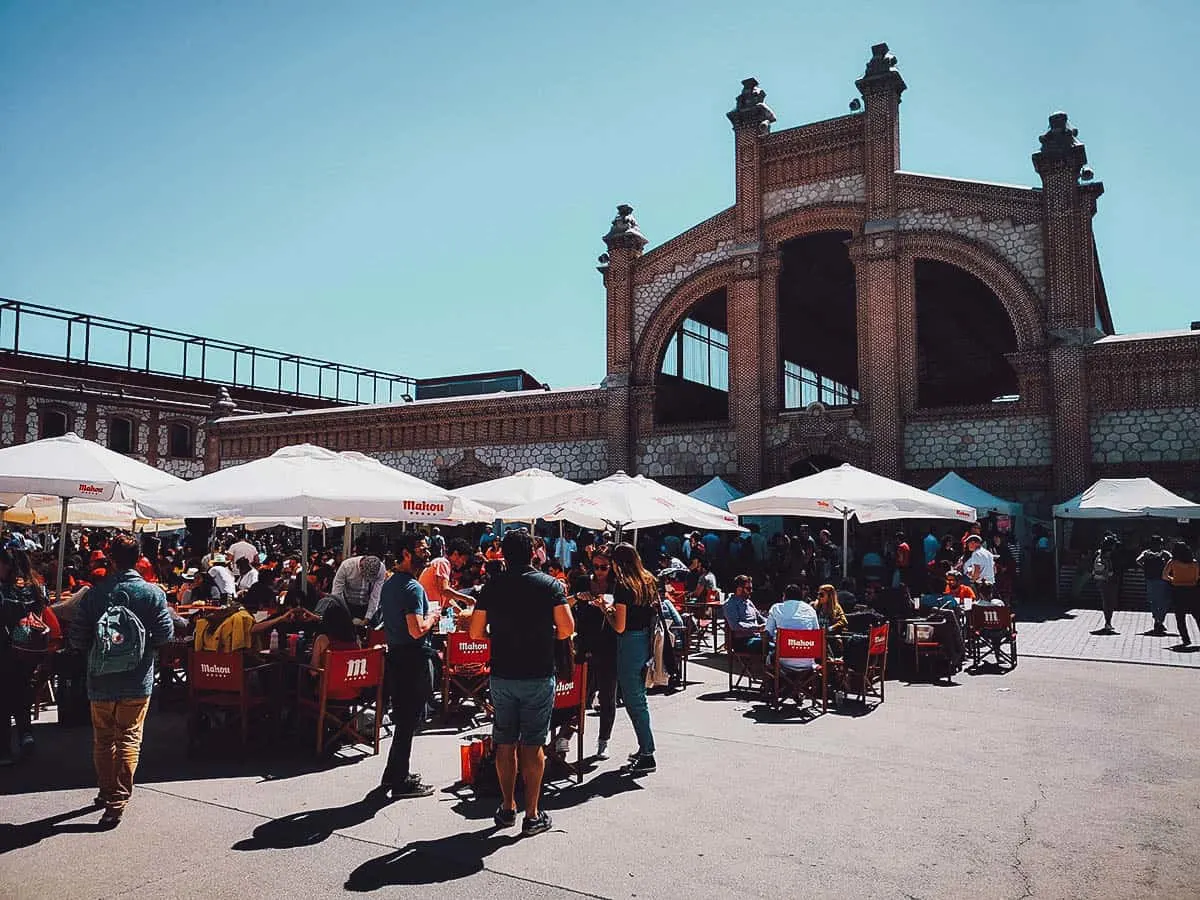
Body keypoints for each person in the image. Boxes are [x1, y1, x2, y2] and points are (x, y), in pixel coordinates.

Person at [470, 530, 573, 836]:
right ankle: (533, 814)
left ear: (503, 554)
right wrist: (544, 635)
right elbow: (567, 628)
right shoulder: (550, 585)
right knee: (533, 745)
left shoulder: (492, 586)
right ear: (532, 553)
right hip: (538, 673)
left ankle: (506, 807)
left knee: (504, 743)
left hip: (503, 674)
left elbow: (476, 632)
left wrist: (497, 635)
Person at [68, 535, 173, 827]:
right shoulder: (152, 594)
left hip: (100, 679)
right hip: (137, 678)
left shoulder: (94, 594)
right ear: (140, 558)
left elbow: (77, 637)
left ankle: (105, 791)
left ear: (110, 559)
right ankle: (117, 800)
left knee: (103, 739)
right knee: (128, 737)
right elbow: (165, 635)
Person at [378, 534, 438, 799]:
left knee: (404, 719)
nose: (426, 553)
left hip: (397, 656)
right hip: (412, 658)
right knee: (408, 721)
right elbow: (416, 630)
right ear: (405, 553)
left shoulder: (391, 584)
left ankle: (393, 773)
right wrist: (433, 617)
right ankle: (400, 781)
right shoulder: (413, 588)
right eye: (421, 549)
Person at [0, 547, 59, 762]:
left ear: (6, 564)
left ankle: (4, 750)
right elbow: (43, 605)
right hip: (30, 649)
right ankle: (26, 735)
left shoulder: (6, 588)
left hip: (6, 649)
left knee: (4, 702)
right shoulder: (34, 584)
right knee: (22, 694)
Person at [608, 542, 659, 775]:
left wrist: (605, 611)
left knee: (634, 700)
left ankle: (647, 752)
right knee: (640, 698)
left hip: (629, 643)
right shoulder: (648, 580)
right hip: (645, 640)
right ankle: (644, 748)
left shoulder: (623, 586)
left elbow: (619, 626)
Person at [570, 572, 617, 759]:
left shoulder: (616, 585)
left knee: (607, 697)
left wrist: (607, 607)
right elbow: (565, 604)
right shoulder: (582, 582)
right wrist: (577, 596)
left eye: (604, 567)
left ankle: (604, 740)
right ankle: (566, 735)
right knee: (578, 695)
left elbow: (621, 616)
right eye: (596, 566)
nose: (599, 571)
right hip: (584, 645)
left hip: (609, 647)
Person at [764, 584, 821, 670]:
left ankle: (773, 682)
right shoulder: (810, 609)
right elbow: (817, 633)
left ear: (784, 596)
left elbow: (768, 632)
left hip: (782, 660)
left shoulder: (776, 608)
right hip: (808, 661)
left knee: (768, 656)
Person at [418, 539, 475, 614]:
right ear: (455, 554)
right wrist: (466, 598)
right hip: (426, 610)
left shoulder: (445, 565)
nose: (464, 563)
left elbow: (448, 600)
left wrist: (461, 613)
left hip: (430, 610)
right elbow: (444, 590)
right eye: (463, 559)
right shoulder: (443, 563)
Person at [323, 554, 387, 622]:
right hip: (348, 604)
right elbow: (336, 593)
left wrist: (368, 617)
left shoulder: (381, 569)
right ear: (361, 566)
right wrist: (342, 613)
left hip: (367, 604)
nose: (367, 581)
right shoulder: (347, 566)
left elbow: (375, 595)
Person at [1163, 542, 1200, 648]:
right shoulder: (1194, 563)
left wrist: (1173, 579)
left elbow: (1164, 576)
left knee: (1180, 617)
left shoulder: (1173, 562)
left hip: (1178, 590)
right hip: (1193, 591)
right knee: (1197, 616)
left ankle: (1186, 639)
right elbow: (1197, 577)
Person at [1136, 536, 1173, 636]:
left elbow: (1138, 560)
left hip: (1150, 579)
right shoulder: (1165, 553)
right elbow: (1172, 561)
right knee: (1164, 601)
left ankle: (1157, 620)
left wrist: (1145, 567)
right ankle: (1159, 621)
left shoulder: (1146, 553)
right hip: (1163, 580)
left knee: (1153, 601)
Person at [723, 575, 765, 650]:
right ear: (739, 589)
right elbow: (735, 625)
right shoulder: (730, 604)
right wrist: (757, 628)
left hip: (756, 636)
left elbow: (759, 617)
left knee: (779, 641)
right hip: (743, 640)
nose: (751, 591)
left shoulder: (748, 602)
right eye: (748, 589)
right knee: (774, 646)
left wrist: (771, 622)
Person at [1091, 534, 1120, 634]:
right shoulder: (1111, 554)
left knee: (1107, 601)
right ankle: (1108, 622)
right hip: (1109, 580)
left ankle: (1108, 622)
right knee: (1109, 602)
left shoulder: (1098, 553)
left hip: (1100, 580)